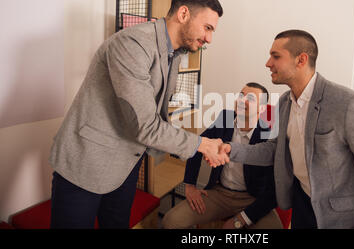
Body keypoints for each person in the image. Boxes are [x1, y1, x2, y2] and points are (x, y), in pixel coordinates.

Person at [49, 0, 225, 229]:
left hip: (125, 165)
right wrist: (202, 145)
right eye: (208, 28)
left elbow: (155, 116)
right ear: (183, 13)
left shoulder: (175, 54)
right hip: (86, 164)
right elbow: (146, 125)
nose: (209, 39)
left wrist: (199, 147)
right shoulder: (133, 43)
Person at [218, 30, 354, 229]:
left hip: (340, 217)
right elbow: (276, 150)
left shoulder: (347, 104)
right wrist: (233, 150)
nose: (268, 63)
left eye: (276, 56)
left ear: (301, 60)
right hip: (302, 205)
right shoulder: (284, 102)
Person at [162, 83, 283, 229]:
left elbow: (274, 188)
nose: (241, 100)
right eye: (240, 95)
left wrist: (240, 220)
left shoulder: (269, 136)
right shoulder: (225, 117)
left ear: (262, 108)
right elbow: (198, 145)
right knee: (171, 221)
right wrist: (190, 185)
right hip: (219, 193)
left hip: (252, 198)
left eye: (250, 98)